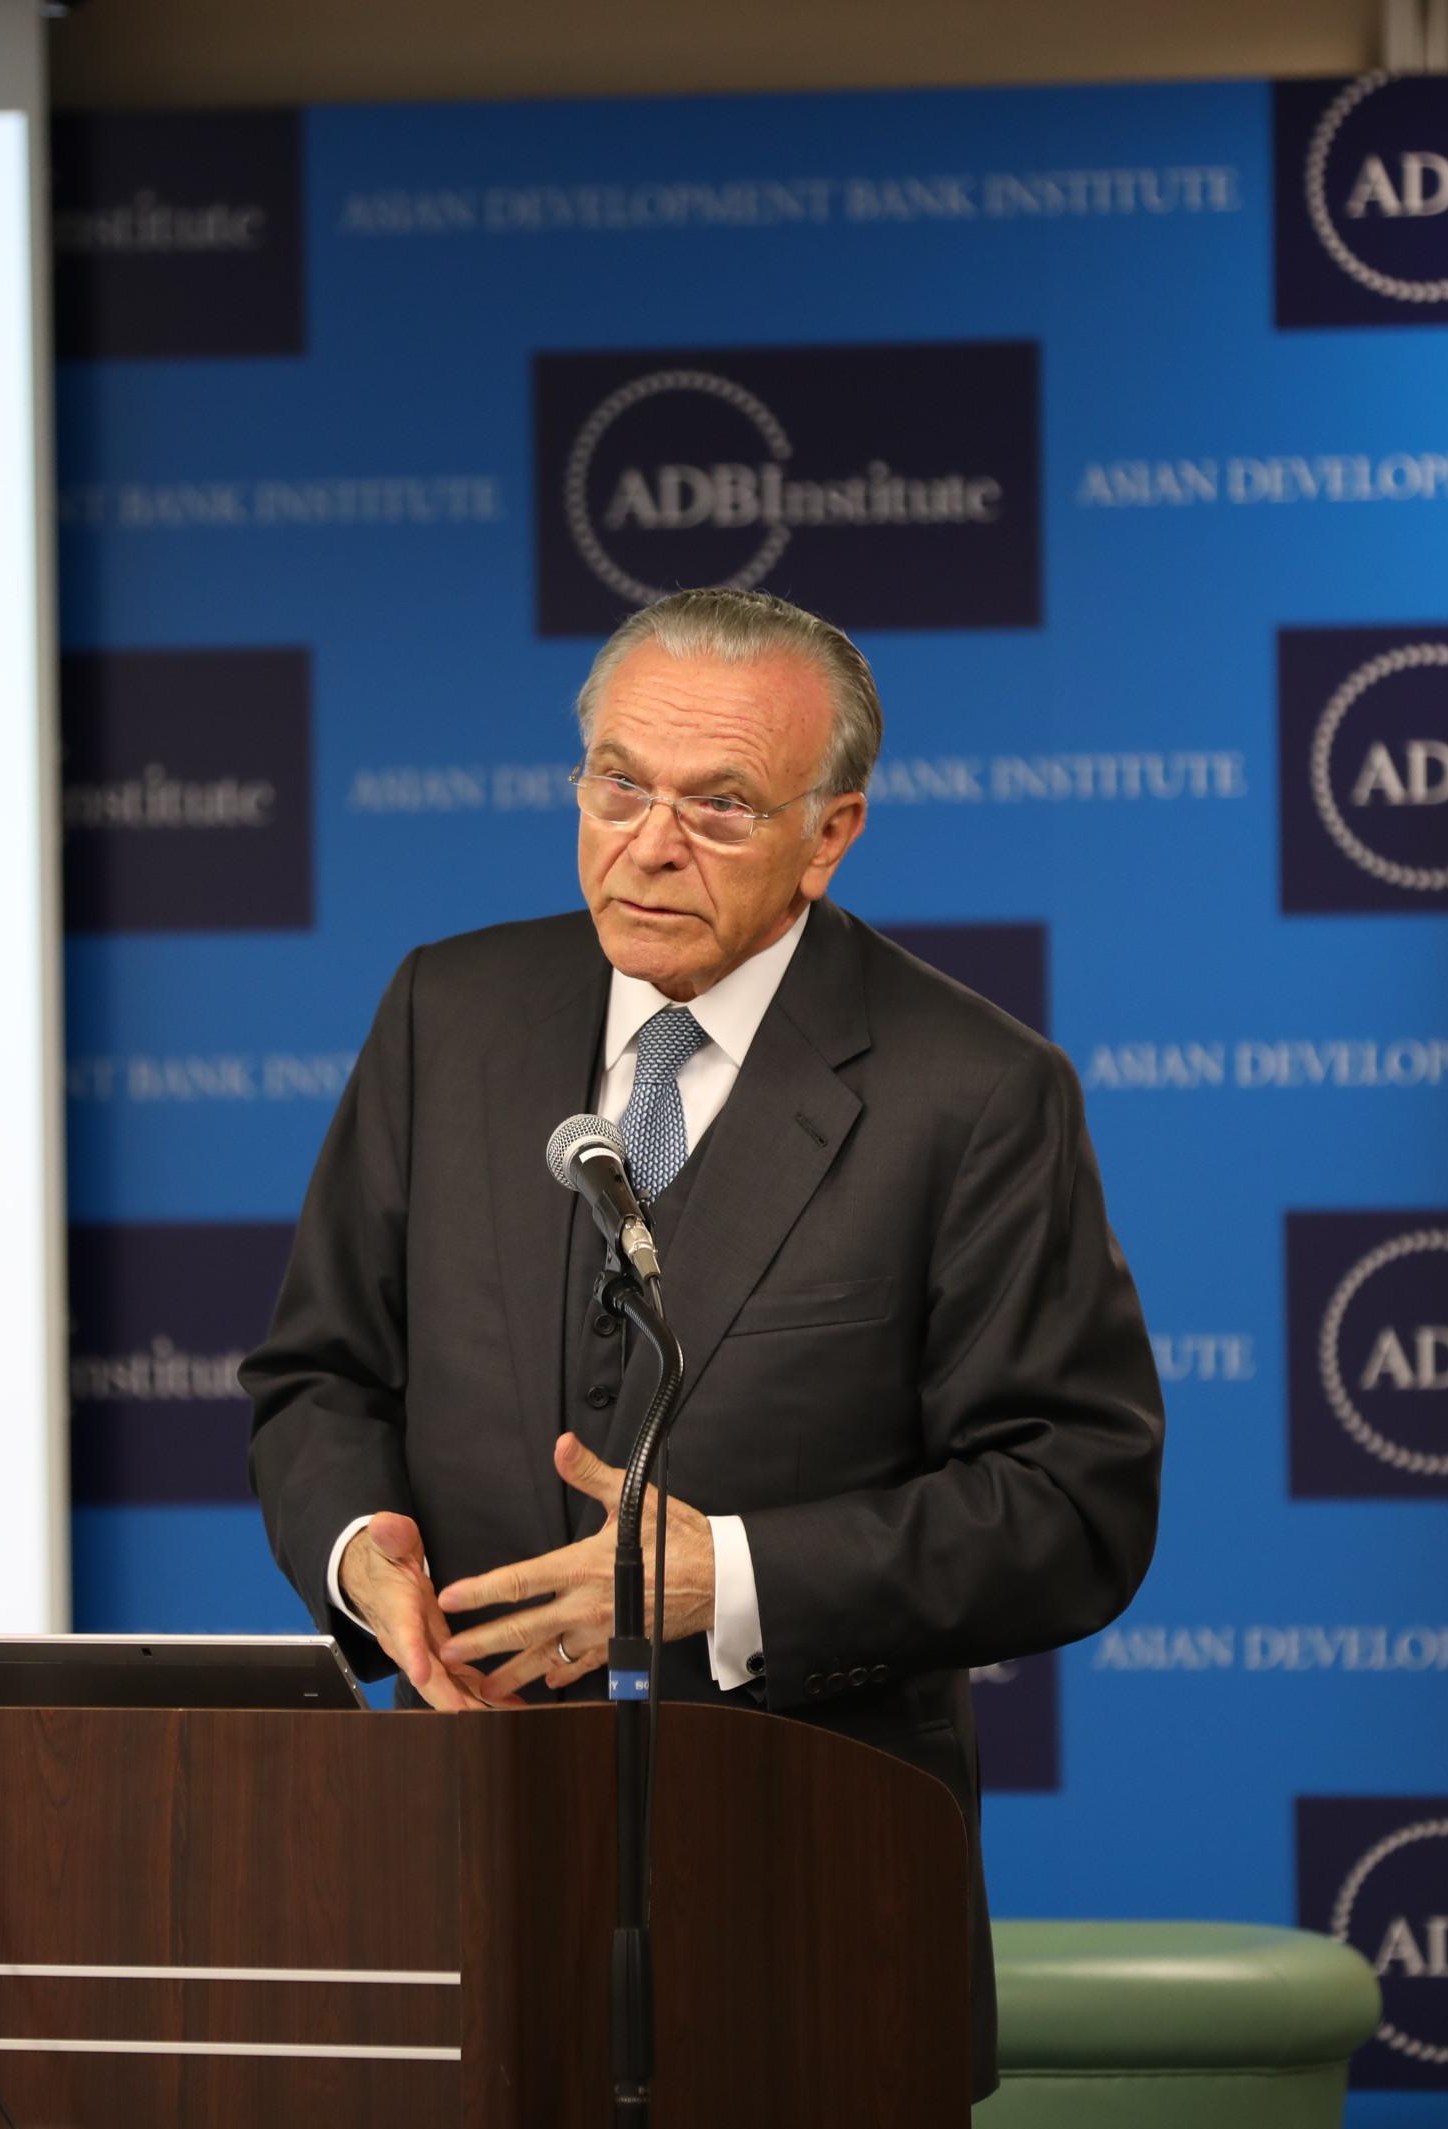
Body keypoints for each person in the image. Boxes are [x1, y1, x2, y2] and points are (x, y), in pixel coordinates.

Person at [241, 587, 1167, 2101]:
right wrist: (361, 1553)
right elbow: (320, 1373)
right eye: (619, 784)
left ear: (834, 830)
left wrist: (726, 1575)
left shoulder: (974, 1092)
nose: (649, 843)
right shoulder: (446, 1013)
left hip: (815, 1906)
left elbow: (1075, 1502)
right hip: (458, 1877)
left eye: (721, 805)